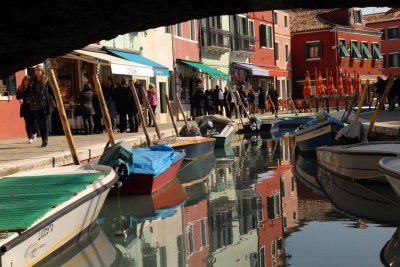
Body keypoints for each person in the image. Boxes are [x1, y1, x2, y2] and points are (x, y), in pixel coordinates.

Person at [29, 65, 54, 147]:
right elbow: (28, 91)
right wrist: (22, 98)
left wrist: (58, 100)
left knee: (45, 122)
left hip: (46, 104)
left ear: (42, 71)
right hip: (37, 105)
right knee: (40, 123)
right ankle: (43, 139)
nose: (37, 72)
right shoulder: (32, 81)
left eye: (39, 70)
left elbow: (52, 91)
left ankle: (45, 139)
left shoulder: (46, 80)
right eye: (36, 70)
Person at [16, 75, 37, 144]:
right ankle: (30, 138)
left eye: (27, 81)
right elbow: (17, 97)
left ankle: (34, 133)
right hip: (24, 107)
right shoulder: (20, 87)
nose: (26, 82)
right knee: (27, 123)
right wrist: (21, 97)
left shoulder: (32, 87)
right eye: (25, 80)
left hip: (32, 106)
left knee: (33, 122)